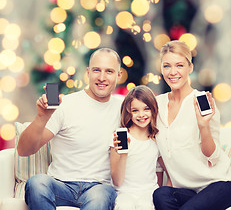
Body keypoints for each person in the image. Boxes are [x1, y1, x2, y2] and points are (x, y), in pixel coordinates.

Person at [17, 48, 123, 210]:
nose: (102, 77)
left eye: (109, 71)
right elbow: (23, 150)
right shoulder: (66, 105)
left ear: (119, 75)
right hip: (60, 185)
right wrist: (42, 117)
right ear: (88, 72)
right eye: (96, 70)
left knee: (100, 197)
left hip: (98, 188)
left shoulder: (125, 108)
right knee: (37, 183)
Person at [153, 40, 231, 210]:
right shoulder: (157, 105)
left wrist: (203, 125)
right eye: (167, 66)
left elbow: (213, 157)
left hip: (220, 185)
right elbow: (161, 154)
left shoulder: (202, 101)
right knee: (160, 194)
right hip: (189, 191)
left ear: (190, 68)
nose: (173, 72)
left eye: (179, 65)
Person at [110, 85, 171, 210]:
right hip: (124, 193)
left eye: (146, 109)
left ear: (153, 109)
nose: (141, 115)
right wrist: (124, 155)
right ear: (128, 112)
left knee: (145, 206)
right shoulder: (119, 137)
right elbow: (117, 181)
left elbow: (167, 171)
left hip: (148, 193)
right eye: (135, 110)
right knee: (124, 206)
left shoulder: (156, 139)